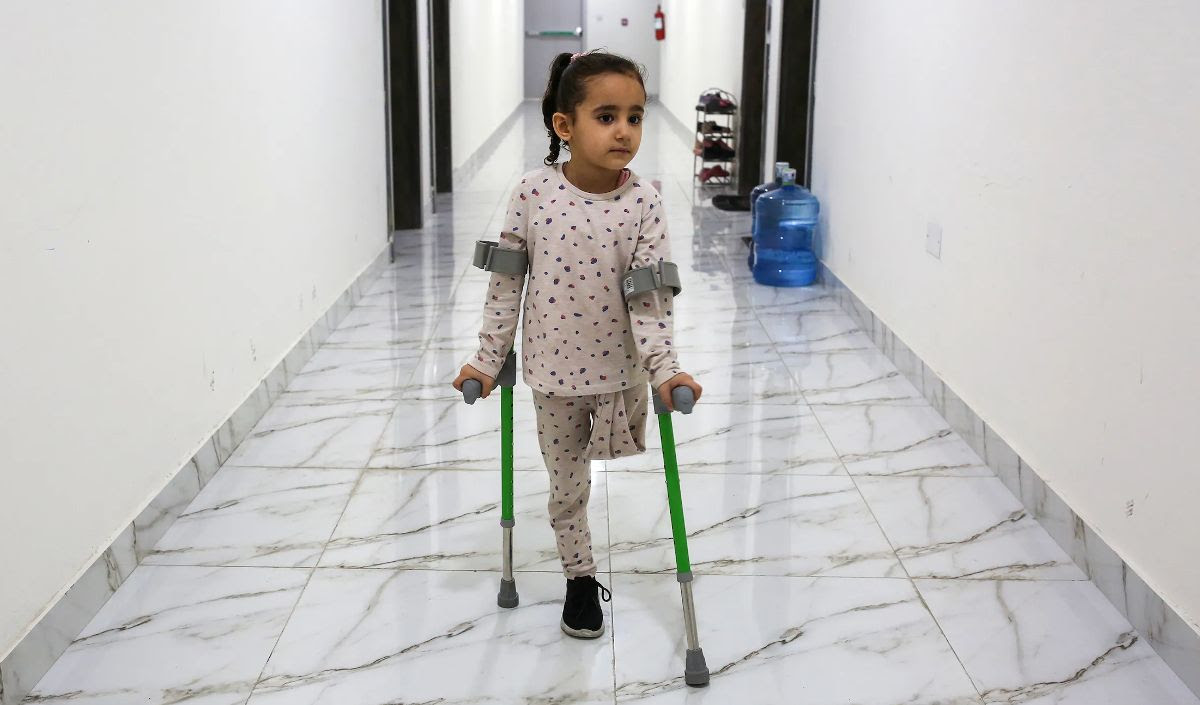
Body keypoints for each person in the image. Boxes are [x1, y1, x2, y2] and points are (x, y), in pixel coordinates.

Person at [452, 50, 702, 639]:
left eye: (635, 117)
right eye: (607, 115)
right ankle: (580, 580)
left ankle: (583, 572)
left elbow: (651, 298)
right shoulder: (533, 194)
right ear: (565, 126)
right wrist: (489, 359)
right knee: (568, 489)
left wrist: (667, 370)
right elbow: (506, 281)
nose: (624, 131)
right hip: (553, 375)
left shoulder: (644, 203)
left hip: (622, 375)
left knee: (607, 463)